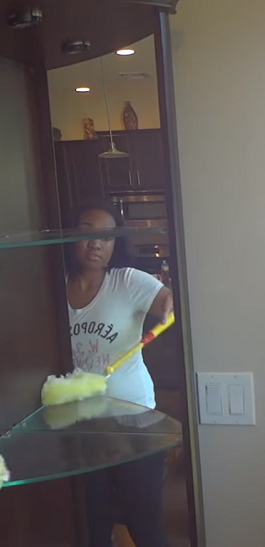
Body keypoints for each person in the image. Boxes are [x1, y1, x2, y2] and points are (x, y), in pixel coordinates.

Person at [65, 200, 173, 547]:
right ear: (69, 238)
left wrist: (172, 304)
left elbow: (168, 301)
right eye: (86, 234)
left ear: (115, 245)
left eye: (107, 237)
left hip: (134, 420)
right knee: (91, 524)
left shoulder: (127, 281)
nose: (96, 244)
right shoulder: (51, 287)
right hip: (79, 423)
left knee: (143, 522)